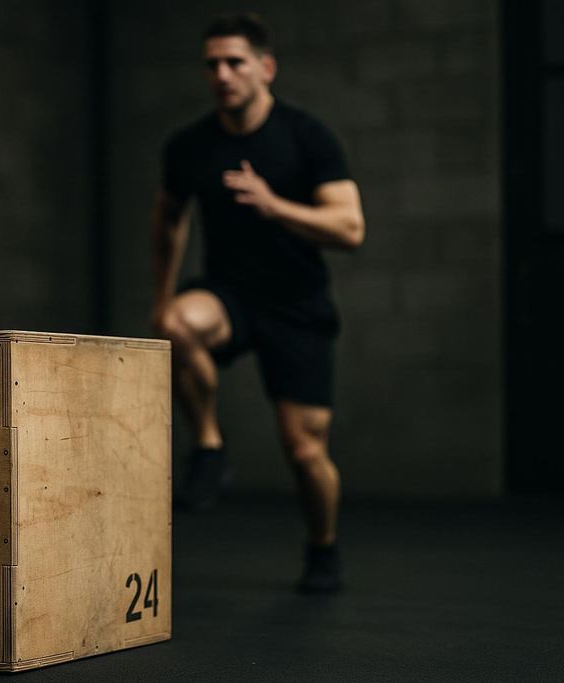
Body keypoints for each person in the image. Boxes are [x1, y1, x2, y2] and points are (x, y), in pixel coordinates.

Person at [151, 13, 365, 594]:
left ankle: (323, 548)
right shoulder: (191, 145)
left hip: (298, 305)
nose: (222, 73)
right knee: (177, 324)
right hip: (231, 296)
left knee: (304, 450)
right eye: (212, 63)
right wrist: (163, 293)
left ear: (265, 68)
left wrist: (274, 206)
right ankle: (209, 448)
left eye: (235, 61)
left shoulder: (306, 136)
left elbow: (349, 228)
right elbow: (170, 219)